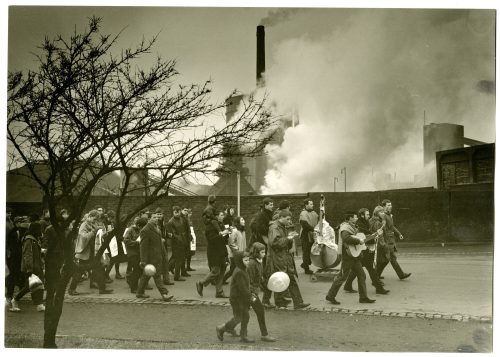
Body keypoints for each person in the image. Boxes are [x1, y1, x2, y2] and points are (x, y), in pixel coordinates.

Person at [325, 211, 376, 305]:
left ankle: (363, 297)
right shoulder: (345, 227)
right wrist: (358, 241)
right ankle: (330, 296)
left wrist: (372, 236)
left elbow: (359, 238)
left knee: (362, 275)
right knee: (342, 277)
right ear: (350, 218)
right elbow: (346, 238)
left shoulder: (353, 227)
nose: (357, 219)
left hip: (354, 256)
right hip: (347, 256)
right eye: (355, 217)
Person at [265, 209, 310, 309]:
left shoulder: (282, 226)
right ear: (281, 218)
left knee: (288, 279)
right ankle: (280, 301)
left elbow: (282, 242)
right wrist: (288, 238)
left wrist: (290, 238)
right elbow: (274, 243)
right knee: (279, 279)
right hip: (277, 258)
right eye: (287, 219)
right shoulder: (274, 227)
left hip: (284, 258)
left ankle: (296, 302)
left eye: (290, 219)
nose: (289, 221)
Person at [344, 208, 389, 295]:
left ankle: (347, 285)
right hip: (363, 250)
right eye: (367, 215)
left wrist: (375, 234)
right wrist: (376, 235)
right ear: (362, 215)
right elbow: (364, 238)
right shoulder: (360, 224)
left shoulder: (364, 222)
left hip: (363, 250)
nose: (369, 216)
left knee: (357, 270)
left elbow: (368, 234)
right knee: (371, 269)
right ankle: (379, 288)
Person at [68, 210, 113, 295]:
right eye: (94, 219)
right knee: (79, 271)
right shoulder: (83, 225)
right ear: (89, 216)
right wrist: (94, 232)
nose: (95, 221)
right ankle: (71, 289)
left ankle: (102, 289)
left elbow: (97, 236)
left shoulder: (93, 224)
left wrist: (103, 233)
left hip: (93, 252)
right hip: (85, 253)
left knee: (99, 269)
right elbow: (83, 237)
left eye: (96, 220)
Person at [216, 251, 255, 343]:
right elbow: (243, 289)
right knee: (239, 317)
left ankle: (243, 335)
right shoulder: (240, 272)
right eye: (245, 260)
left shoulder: (241, 269)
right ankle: (222, 328)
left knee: (244, 316)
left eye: (248, 260)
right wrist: (251, 297)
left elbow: (245, 287)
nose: (248, 262)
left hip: (240, 298)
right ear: (240, 261)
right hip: (237, 299)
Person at [136, 210, 174, 301]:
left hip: (158, 257)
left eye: (157, 217)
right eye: (154, 217)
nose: (156, 219)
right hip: (151, 258)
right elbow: (143, 247)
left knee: (146, 276)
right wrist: (143, 260)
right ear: (149, 219)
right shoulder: (145, 230)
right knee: (157, 276)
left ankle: (139, 292)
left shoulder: (156, 228)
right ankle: (164, 294)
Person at [10, 222, 45, 312]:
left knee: (39, 285)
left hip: (37, 266)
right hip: (31, 268)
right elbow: (27, 255)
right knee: (28, 287)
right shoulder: (29, 240)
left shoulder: (33, 239)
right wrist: (29, 269)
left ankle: (39, 304)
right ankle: (15, 300)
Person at [246, 242, 277, 342]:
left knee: (241, 314)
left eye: (264, 251)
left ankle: (225, 328)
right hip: (249, 293)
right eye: (262, 252)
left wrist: (266, 284)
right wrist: (252, 294)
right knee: (260, 311)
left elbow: (259, 276)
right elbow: (249, 281)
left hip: (252, 292)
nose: (264, 254)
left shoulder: (258, 261)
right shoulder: (251, 263)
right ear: (256, 252)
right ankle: (264, 335)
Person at [196, 210, 229, 298]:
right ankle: (201, 283)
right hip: (214, 252)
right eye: (221, 215)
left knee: (222, 270)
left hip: (222, 250)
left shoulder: (220, 225)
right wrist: (222, 234)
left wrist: (227, 233)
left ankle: (219, 291)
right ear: (216, 216)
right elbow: (212, 240)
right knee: (216, 271)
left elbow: (224, 239)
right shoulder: (210, 227)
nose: (223, 217)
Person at [377, 199, 411, 280]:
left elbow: (392, 227)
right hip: (387, 241)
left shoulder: (388, 215)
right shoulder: (383, 216)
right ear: (384, 207)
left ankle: (376, 275)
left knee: (387, 259)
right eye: (388, 205)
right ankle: (401, 274)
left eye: (390, 205)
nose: (390, 206)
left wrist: (399, 234)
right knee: (391, 258)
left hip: (390, 240)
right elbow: (383, 228)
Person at [123, 217, 148, 293]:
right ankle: (134, 288)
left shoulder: (143, 230)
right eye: (141, 227)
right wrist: (137, 243)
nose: (142, 228)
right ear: (137, 225)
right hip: (132, 253)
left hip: (139, 252)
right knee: (137, 269)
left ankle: (131, 281)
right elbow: (126, 241)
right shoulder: (130, 230)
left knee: (139, 270)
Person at [6, 207, 23, 310]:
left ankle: (15, 295)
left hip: (17, 257)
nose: (21, 224)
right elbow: (10, 244)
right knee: (11, 276)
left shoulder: (17, 230)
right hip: (12, 257)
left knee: (17, 275)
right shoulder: (13, 232)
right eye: (20, 222)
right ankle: (9, 295)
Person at [166, 206, 189, 281]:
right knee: (178, 258)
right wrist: (179, 239)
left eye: (178, 212)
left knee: (178, 258)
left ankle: (166, 270)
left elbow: (184, 230)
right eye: (175, 212)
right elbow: (171, 234)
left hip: (183, 241)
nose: (177, 213)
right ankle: (176, 276)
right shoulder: (171, 222)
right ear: (173, 212)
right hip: (176, 243)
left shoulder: (181, 219)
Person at [223, 216, 247, 284]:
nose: (244, 221)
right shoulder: (235, 231)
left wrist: (244, 251)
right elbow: (231, 242)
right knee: (233, 269)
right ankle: (224, 280)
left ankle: (223, 280)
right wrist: (237, 250)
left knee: (236, 269)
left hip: (241, 253)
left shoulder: (243, 231)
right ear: (238, 222)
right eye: (242, 220)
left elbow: (244, 242)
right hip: (235, 255)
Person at [299, 199, 319, 275]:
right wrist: (314, 229)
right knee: (306, 252)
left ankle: (304, 264)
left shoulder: (314, 213)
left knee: (312, 251)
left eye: (312, 204)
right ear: (306, 205)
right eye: (310, 204)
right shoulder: (303, 213)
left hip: (313, 233)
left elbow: (319, 220)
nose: (312, 205)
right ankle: (306, 268)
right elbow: (304, 225)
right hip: (305, 234)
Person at [181, 207, 196, 272]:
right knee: (187, 252)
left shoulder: (189, 219)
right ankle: (186, 267)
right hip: (188, 237)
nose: (190, 214)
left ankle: (188, 266)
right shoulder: (185, 219)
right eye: (189, 213)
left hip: (191, 236)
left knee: (190, 252)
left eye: (190, 213)